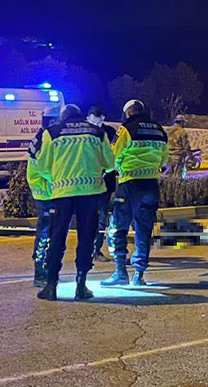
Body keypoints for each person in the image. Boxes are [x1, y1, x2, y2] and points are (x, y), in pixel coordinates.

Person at [33, 104, 116, 301]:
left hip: (62, 193)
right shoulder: (97, 132)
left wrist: (58, 178)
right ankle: (81, 286)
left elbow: (43, 166)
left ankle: (51, 286)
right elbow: (110, 164)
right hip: (91, 193)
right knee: (86, 239)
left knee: (57, 238)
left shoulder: (51, 133)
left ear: (63, 117)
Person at [101, 100, 168, 286]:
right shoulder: (159, 130)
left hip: (129, 184)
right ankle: (139, 275)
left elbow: (113, 156)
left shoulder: (126, 129)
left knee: (118, 227)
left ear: (128, 113)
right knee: (143, 230)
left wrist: (109, 170)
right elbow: (164, 160)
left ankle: (120, 272)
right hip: (151, 186)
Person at [27, 106, 62, 287]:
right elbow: (44, 168)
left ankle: (45, 270)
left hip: (44, 189)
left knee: (49, 231)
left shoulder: (43, 136)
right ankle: (39, 273)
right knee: (45, 233)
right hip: (45, 190)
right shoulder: (45, 138)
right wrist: (59, 180)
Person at [87, 106, 118, 262]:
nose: (98, 121)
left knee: (102, 218)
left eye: (101, 118)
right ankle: (89, 250)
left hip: (105, 183)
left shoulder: (110, 132)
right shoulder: (84, 133)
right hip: (89, 183)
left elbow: (115, 153)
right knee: (90, 218)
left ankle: (96, 250)